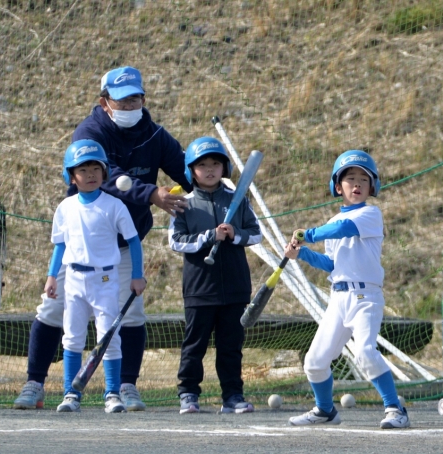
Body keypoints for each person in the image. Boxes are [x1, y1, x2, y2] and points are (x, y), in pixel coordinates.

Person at [14, 66, 192, 411]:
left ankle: (125, 387)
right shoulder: (90, 132)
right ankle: (35, 384)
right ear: (104, 102)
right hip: (79, 249)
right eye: (122, 101)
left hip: (121, 249)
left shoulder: (155, 135)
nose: (130, 106)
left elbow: (185, 169)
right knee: (52, 310)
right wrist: (150, 193)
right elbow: (107, 177)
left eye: (135, 99)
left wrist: (213, 176)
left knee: (131, 314)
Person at [283, 150, 410, 429]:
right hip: (339, 298)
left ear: (372, 187)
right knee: (315, 361)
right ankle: (325, 410)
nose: (357, 184)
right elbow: (331, 264)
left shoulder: (370, 214)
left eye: (363, 180)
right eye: (350, 179)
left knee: (365, 352)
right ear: (338, 187)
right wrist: (301, 253)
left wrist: (308, 235)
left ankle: (395, 408)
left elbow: (344, 228)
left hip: (365, 297)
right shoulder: (331, 222)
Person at [46, 140, 146, 413]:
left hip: (105, 280)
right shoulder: (65, 207)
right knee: (72, 338)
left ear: (105, 173)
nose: (90, 174)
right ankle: (71, 394)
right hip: (74, 279)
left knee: (109, 338)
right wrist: (51, 276)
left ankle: (112, 393)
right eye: (83, 170)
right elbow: (60, 245)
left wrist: (137, 275)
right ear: (71, 176)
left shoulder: (114, 205)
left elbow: (133, 241)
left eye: (95, 169)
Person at [168, 137, 262, 414]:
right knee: (194, 344)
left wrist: (235, 234)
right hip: (199, 287)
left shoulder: (237, 200)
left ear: (224, 168)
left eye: (215, 164)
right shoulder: (184, 204)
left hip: (235, 285)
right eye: (202, 165)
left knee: (230, 346)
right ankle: (188, 393)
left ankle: (232, 395)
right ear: (191, 170)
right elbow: (176, 241)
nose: (209, 170)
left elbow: (256, 233)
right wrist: (209, 237)